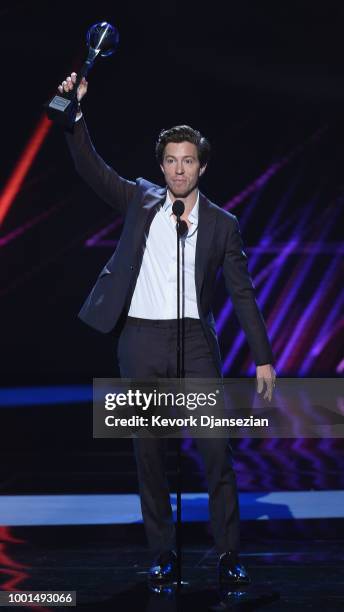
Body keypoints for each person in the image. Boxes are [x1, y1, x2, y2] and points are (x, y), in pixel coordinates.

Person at [59, 72, 276, 586]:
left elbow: (242, 293)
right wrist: (73, 115)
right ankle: (163, 552)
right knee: (150, 455)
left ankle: (228, 554)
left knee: (216, 451)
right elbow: (91, 168)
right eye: (171, 161)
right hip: (140, 340)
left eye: (188, 161)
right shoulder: (140, 200)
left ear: (202, 166)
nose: (179, 170)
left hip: (195, 344)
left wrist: (263, 356)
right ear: (161, 167)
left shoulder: (223, 223)